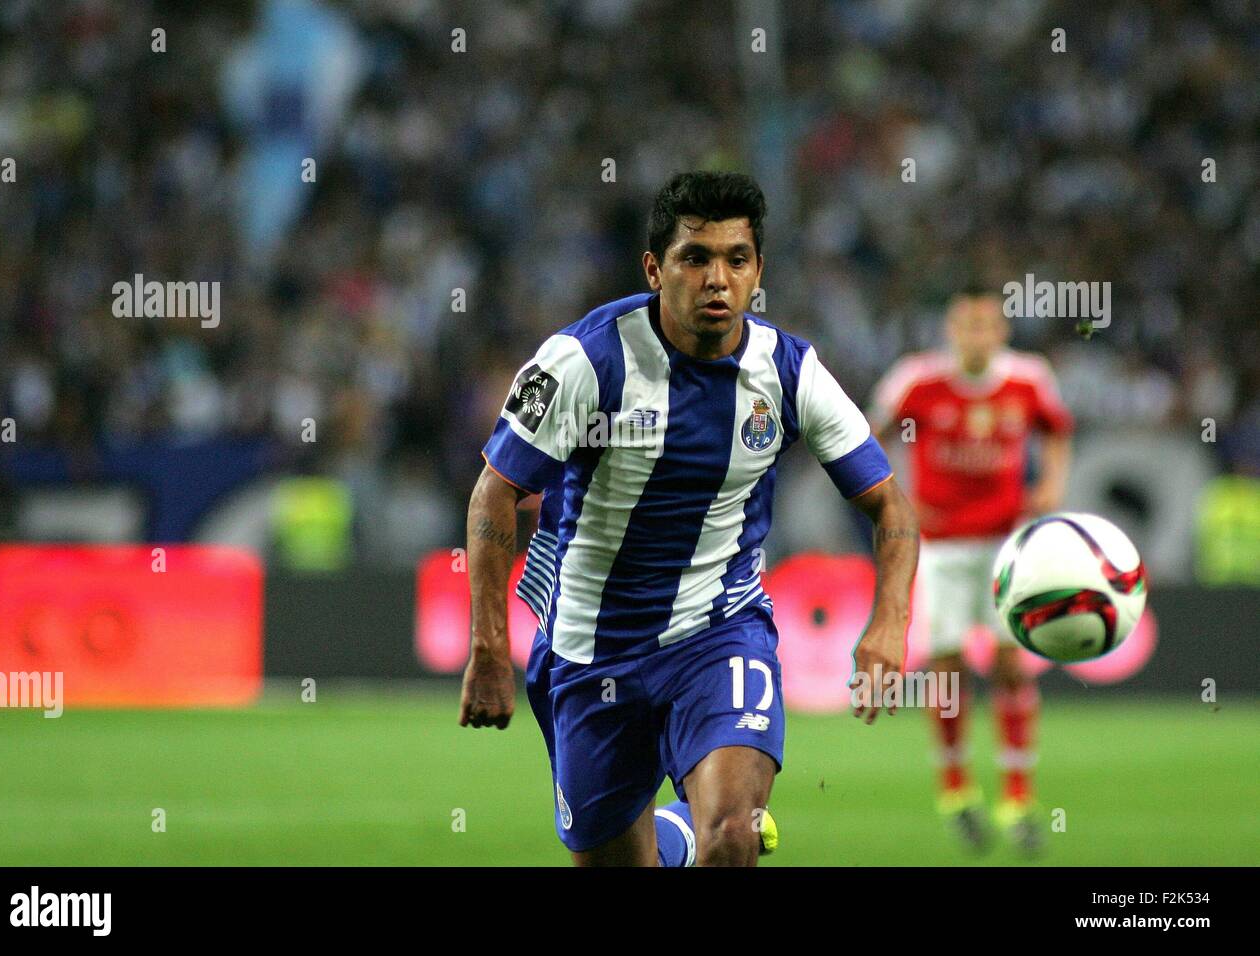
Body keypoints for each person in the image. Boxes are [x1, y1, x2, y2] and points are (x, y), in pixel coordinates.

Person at [459, 171, 919, 866]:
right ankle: (675, 834)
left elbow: (890, 506)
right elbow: (494, 493)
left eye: (737, 259)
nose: (717, 280)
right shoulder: (584, 361)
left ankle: (720, 819)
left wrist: (889, 623)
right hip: (591, 649)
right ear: (655, 268)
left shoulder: (790, 372)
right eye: (695, 258)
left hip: (719, 633)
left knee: (733, 835)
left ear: (758, 269)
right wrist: (490, 647)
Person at [869, 291, 1073, 854]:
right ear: (950, 328)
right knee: (949, 668)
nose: (975, 335)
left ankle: (1017, 798)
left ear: (1001, 329)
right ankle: (956, 789)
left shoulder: (1029, 379)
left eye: (985, 325)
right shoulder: (916, 381)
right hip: (940, 547)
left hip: (1009, 546)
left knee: (1011, 664)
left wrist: (1051, 483)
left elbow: (1057, 430)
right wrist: (894, 500)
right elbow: (863, 439)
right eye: (965, 324)